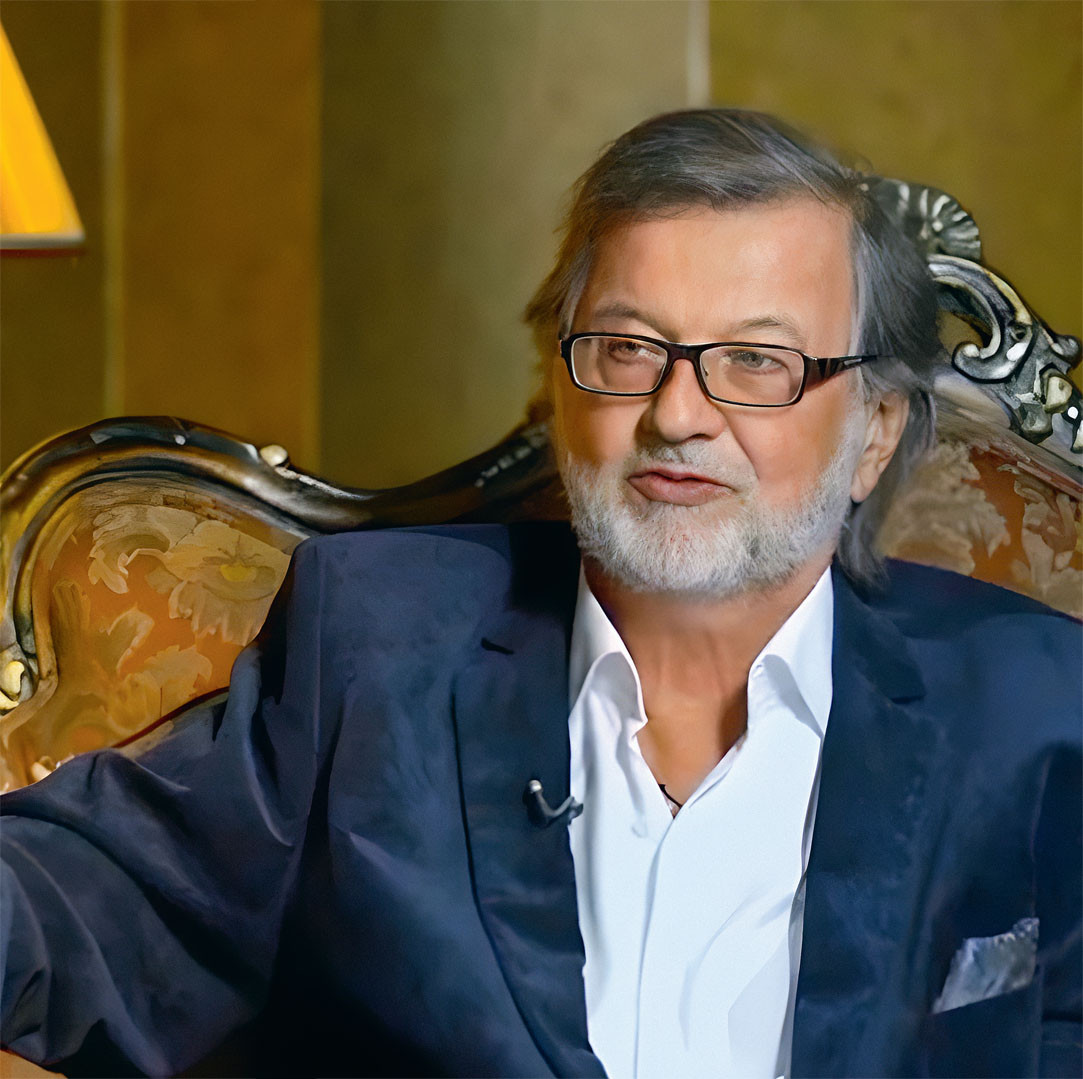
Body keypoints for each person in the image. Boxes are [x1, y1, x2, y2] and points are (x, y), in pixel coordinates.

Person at [1, 109, 1079, 1079]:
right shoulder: (376, 646)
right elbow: (81, 899)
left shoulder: (1034, 711)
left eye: (757, 362)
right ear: (560, 387)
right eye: (627, 348)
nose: (677, 414)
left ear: (873, 435)